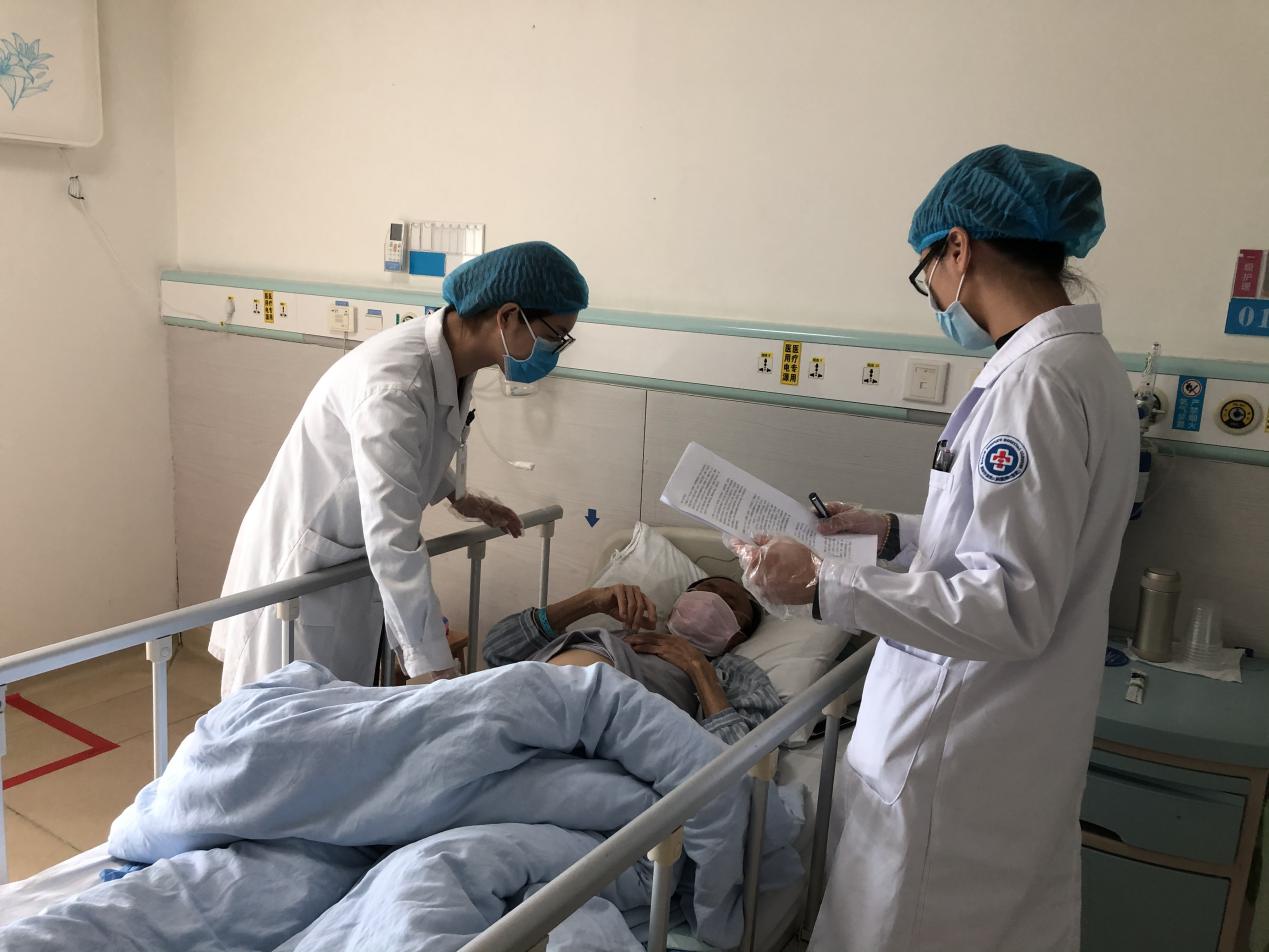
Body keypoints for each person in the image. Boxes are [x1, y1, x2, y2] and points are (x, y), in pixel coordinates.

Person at [732, 145, 1137, 951]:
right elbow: (1009, 538)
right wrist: (890, 533)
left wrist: (821, 585)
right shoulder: (1082, 368)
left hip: (956, 759)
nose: (937, 298)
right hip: (994, 752)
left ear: (958, 248)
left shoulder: (1035, 384)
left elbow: (1009, 602)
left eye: (928, 273)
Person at [210, 241, 588, 697]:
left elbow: (405, 453)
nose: (555, 351)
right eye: (555, 336)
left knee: (330, 714)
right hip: (300, 568)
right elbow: (393, 537)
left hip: (340, 567)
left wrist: (461, 496)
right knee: (276, 715)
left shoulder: (448, 363)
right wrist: (435, 669)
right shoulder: (394, 383)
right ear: (508, 316)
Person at [483, 576, 780, 743]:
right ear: (677, 605)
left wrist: (698, 668)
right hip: (524, 697)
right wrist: (587, 601)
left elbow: (746, 764)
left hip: (590, 727)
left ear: (738, 636)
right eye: (706, 591)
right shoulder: (623, 633)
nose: (711, 602)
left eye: (729, 603)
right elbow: (497, 651)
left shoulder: (734, 674)